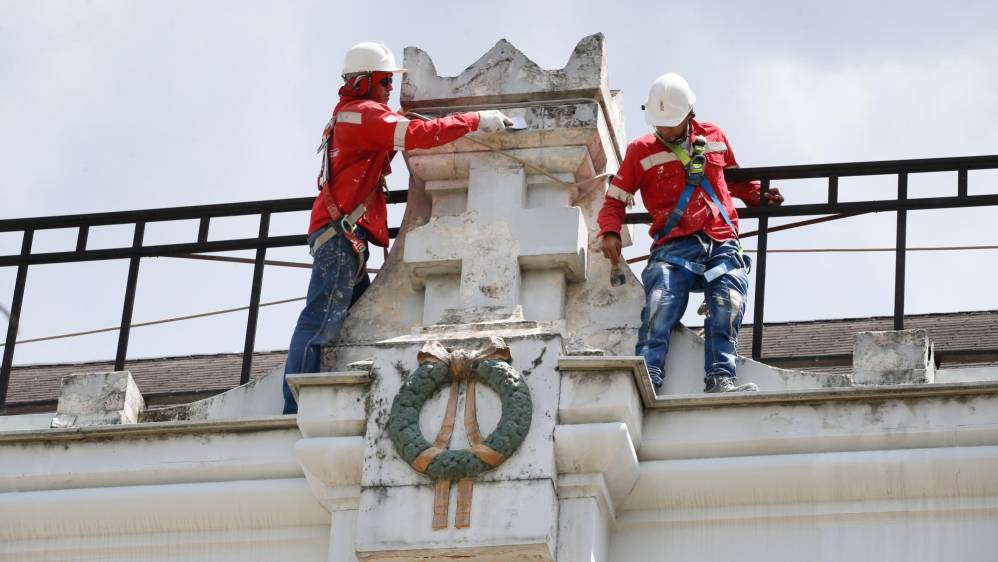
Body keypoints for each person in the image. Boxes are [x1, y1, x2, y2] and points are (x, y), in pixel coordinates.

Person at [282, 41, 511, 414]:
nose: (390, 89)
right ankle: (294, 407)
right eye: (385, 82)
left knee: (356, 323)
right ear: (364, 82)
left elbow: (399, 132)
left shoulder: (350, 116)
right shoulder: (361, 115)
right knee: (322, 319)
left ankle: (331, 400)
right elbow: (415, 136)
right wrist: (475, 120)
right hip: (340, 237)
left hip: (342, 236)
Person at [597, 73, 784, 394]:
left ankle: (720, 378)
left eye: (670, 122)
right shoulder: (640, 151)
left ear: (689, 114)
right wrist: (610, 230)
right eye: (659, 124)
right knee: (660, 305)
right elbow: (614, 200)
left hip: (721, 239)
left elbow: (734, 180)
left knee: (728, 305)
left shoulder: (714, 136)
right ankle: (648, 380)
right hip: (673, 246)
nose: (664, 129)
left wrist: (759, 196)